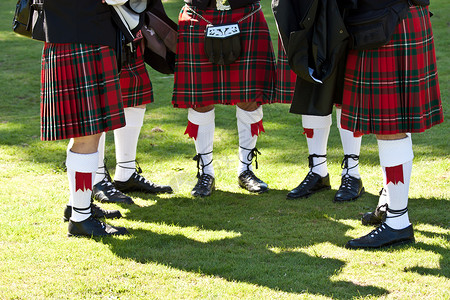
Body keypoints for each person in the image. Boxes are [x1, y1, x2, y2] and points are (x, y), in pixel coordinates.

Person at [31, 0, 153, 237]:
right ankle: (80, 218)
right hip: (85, 39)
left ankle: (78, 204)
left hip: (67, 36)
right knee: (87, 137)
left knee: (84, 135)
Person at [340, 2, 443, 249]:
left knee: (391, 127)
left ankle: (398, 221)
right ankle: (393, 203)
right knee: (394, 123)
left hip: (389, 20)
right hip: (392, 18)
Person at [172, 0, 277, 197]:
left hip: (245, 11)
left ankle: (246, 170)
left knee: (250, 96)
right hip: (199, 12)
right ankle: (206, 173)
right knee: (200, 99)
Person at [275, 37, 365, 202]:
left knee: (346, 92)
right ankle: (318, 171)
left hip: (346, 18)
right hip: (311, 19)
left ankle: (352, 173)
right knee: (312, 88)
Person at [91, 42, 173, 206]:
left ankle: (126, 173)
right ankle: (97, 178)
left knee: (135, 95)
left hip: (127, 30)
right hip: (96, 30)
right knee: (97, 101)